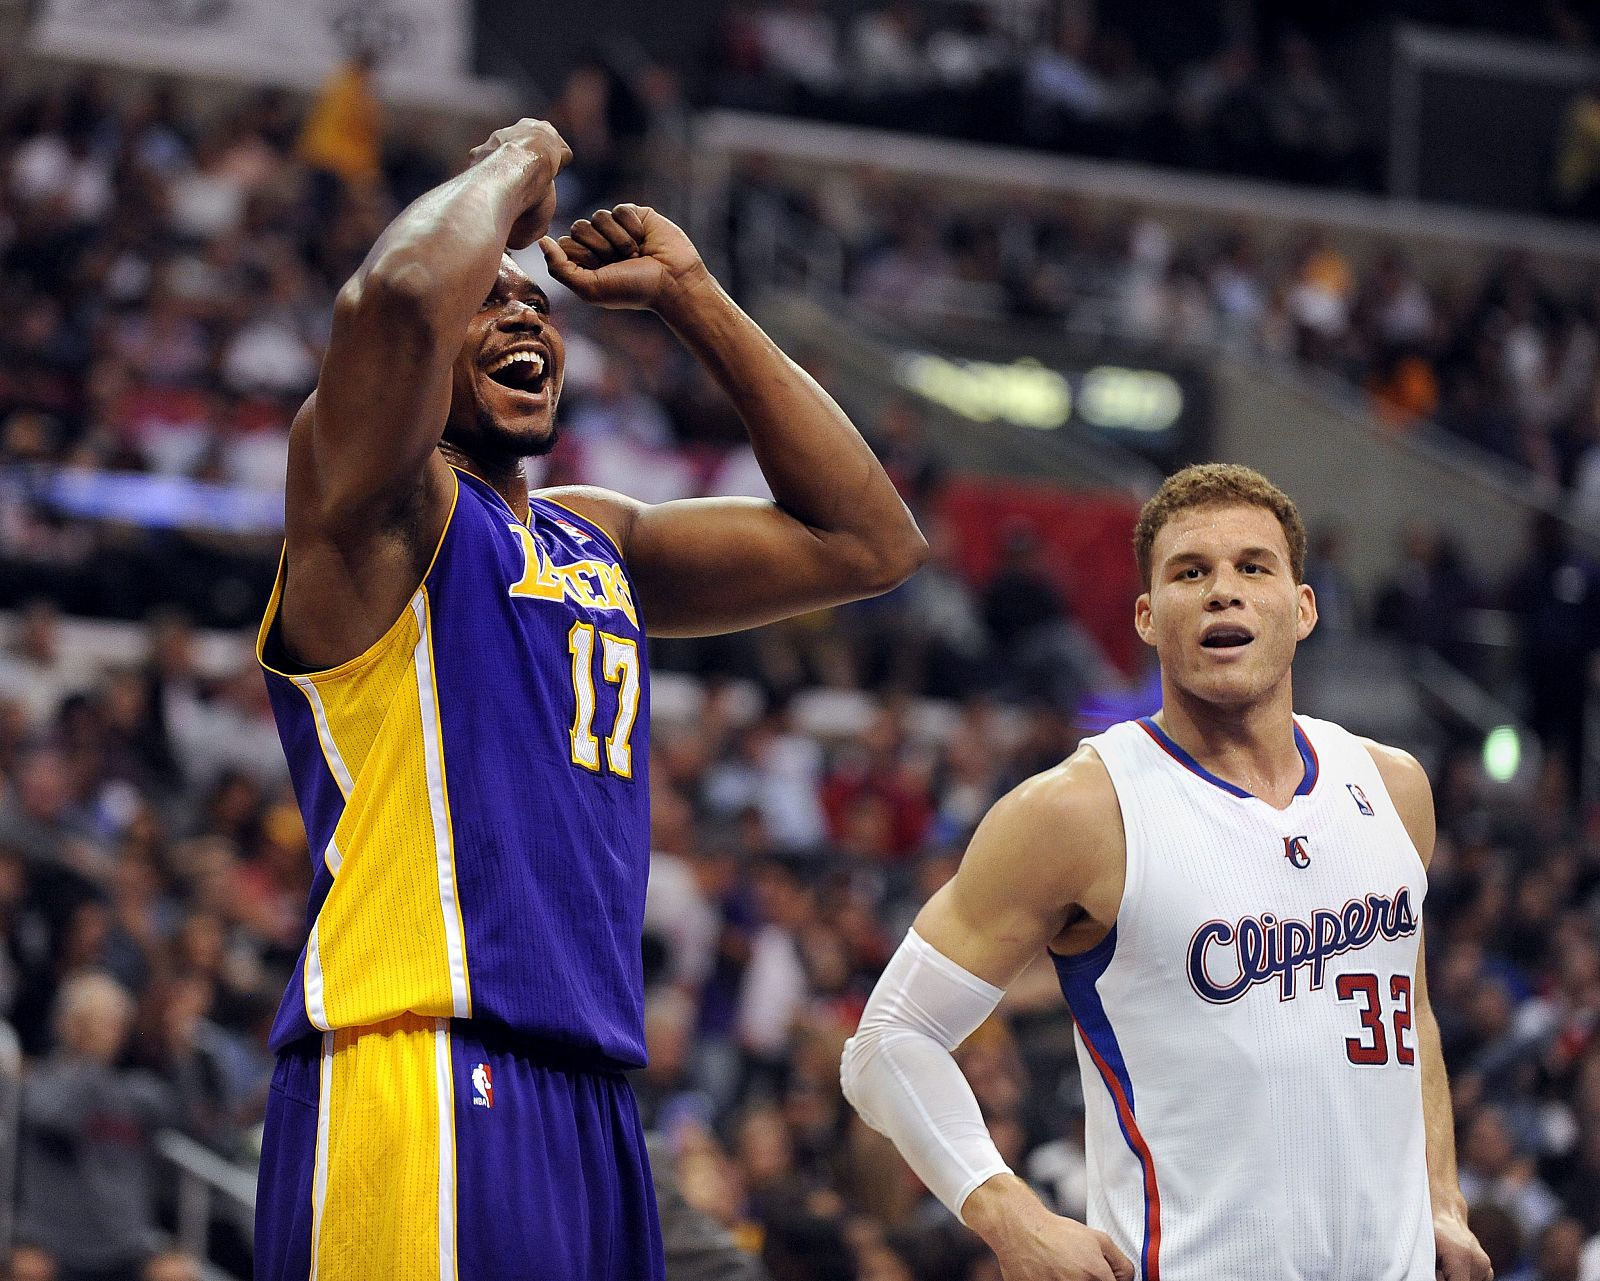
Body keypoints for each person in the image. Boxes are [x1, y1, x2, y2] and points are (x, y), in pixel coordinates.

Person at [250, 117, 924, 1280]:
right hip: (418, 1050)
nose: (522, 316)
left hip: (594, 1093)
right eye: (492, 301)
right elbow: (404, 296)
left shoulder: (594, 533)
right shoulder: (372, 512)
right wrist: (515, 165)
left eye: (540, 309)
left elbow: (868, 540)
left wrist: (695, 297)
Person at [840, 463, 1492, 1280]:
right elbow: (886, 1041)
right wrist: (1010, 1216)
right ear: (1147, 617)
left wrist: (1440, 1195)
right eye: (1192, 572)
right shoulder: (1079, 810)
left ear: (1304, 606)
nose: (1224, 591)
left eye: (1254, 566)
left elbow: (1411, 1011)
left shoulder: (1395, 788)